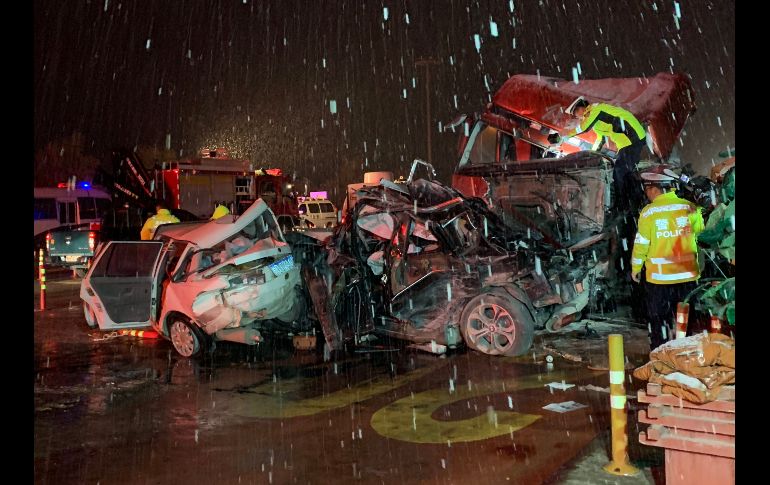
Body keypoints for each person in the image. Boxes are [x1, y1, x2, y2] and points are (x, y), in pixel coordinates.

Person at [630, 165, 704, 350]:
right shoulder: (689, 207)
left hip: (660, 279)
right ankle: (685, 351)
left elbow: (641, 245)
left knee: (658, 319)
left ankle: (660, 353)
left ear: (654, 189)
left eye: (647, 189)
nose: (647, 193)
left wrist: (636, 268)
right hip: (688, 276)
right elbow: (700, 232)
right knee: (685, 318)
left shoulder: (648, 213)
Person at [555, 97, 648, 213]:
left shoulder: (597, 109)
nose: (577, 117)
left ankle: (622, 206)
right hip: (626, 143)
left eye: (576, 113)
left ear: (581, 108)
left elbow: (583, 128)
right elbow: (600, 139)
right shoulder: (597, 122)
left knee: (619, 171)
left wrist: (567, 133)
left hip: (632, 137)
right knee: (626, 173)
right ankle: (636, 202)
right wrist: (590, 154)